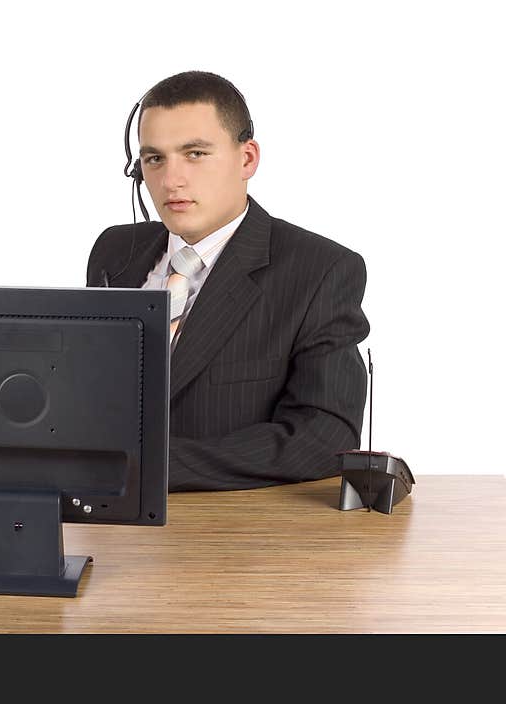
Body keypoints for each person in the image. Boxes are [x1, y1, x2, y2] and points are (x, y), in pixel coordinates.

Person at [86, 71, 370, 491]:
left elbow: (323, 437)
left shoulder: (320, 270)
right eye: (154, 159)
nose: (170, 180)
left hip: (234, 534)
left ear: (247, 159)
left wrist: (144, 466)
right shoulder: (114, 252)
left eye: (195, 153)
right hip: (106, 525)